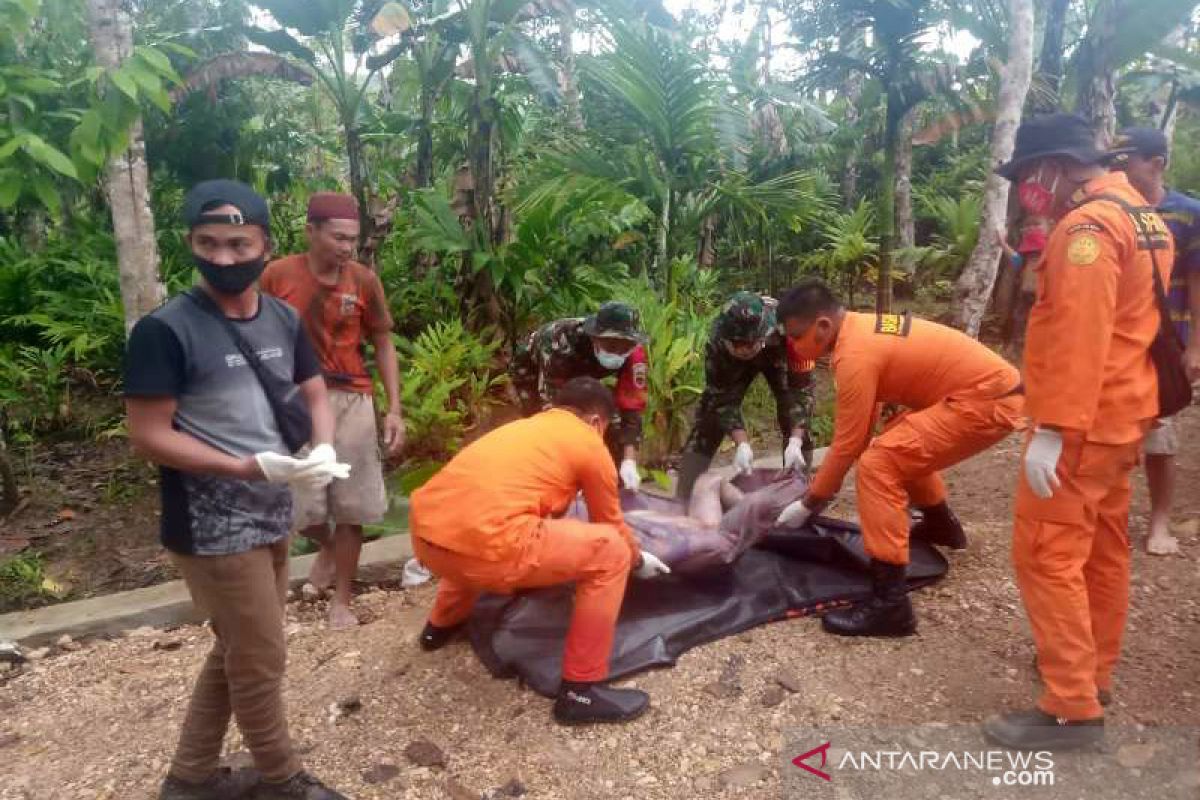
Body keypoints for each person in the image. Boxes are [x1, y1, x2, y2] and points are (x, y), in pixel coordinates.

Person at [124, 180, 350, 800]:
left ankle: (189, 779)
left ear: (264, 244)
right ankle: (281, 780)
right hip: (212, 524)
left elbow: (312, 390)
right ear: (191, 244)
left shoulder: (280, 315)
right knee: (261, 656)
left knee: (238, 647)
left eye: (237, 243)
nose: (223, 258)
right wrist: (248, 467)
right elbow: (148, 434)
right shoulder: (165, 330)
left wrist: (323, 446)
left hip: (273, 509)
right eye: (207, 243)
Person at [984, 113, 1173, 751]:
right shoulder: (1144, 215)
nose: (1028, 189)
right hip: (1125, 415)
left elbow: (1080, 335)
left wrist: (1054, 429)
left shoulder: (1086, 229)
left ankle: (1072, 708)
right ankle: (1095, 674)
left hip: (1085, 421)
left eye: (1030, 176)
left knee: (1047, 553)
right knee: (1103, 549)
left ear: (1055, 167)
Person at [409, 377, 671, 724]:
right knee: (611, 553)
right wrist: (637, 559)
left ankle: (438, 628)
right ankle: (581, 691)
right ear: (596, 421)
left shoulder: (524, 429)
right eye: (605, 429)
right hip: (487, 548)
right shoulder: (589, 444)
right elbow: (611, 525)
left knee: (481, 527)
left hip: (426, 537)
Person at [773, 279, 1023, 638]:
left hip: (986, 401)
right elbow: (862, 425)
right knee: (895, 443)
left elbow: (848, 444)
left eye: (797, 337)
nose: (793, 346)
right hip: (988, 392)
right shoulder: (860, 329)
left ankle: (891, 603)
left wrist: (809, 504)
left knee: (879, 463)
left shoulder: (854, 354)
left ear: (823, 326)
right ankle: (940, 525)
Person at [260, 192, 405, 629]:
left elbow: (382, 340)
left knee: (353, 506)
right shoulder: (277, 276)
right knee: (300, 508)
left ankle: (342, 600)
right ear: (311, 232)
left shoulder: (363, 281)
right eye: (338, 238)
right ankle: (326, 547)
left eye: (353, 240)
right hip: (295, 399)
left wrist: (394, 408)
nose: (347, 248)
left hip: (351, 397)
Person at [1106, 126, 1200, 556]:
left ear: (1157, 163)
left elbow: (1196, 282)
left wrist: (1195, 346)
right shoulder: (1114, 211)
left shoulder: (1187, 213)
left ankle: (1160, 521)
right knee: (1114, 434)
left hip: (1166, 345)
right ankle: (1112, 517)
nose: (1120, 170)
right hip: (1120, 343)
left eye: (1128, 162)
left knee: (1160, 438)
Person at [675, 291, 814, 500]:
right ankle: (685, 495)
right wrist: (742, 443)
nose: (744, 351)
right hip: (731, 366)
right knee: (710, 416)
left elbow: (801, 392)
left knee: (795, 420)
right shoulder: (717, 342)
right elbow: (722, 398)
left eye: (749, 344)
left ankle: (796, 495)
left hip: (777, 355)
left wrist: (796, 441)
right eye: (737, 344)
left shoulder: (792, 331)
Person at [509, 302, 649, 490]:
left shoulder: (633, 355)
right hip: (532, 373)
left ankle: (607, 486)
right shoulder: (559, 341)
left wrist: (629, 461)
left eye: (625, 346)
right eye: (611, 345)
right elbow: (554, 407)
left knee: (610, 428)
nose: (618, 352)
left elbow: (631, 407)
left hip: (588, 375)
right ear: (594, 337)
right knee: (542, 426)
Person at [998, 217, 1049, 357]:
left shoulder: (1051, 247)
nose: (1032, 228)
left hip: (1043, 297)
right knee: (1019, 322)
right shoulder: (1027, 252)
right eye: (1028, 225)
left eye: (1036, 223)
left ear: (1048, 227)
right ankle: (1016, 350)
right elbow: (1017, 261)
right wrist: (1002, 242)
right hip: (1025, 294)